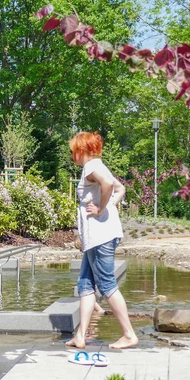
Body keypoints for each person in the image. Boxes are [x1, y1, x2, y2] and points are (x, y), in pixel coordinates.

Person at [66, 131, 138, 350]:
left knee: (106, 284)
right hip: (98, 236)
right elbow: (120, 188)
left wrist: (100, 208)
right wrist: (111, 205)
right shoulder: (98, 165)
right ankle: (81, 336)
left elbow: (107, 184)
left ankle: (129, 334)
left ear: (81, 150)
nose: (72, 155)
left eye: (73, 151)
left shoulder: (91, 166)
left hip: (100, 236)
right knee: (85, 284)